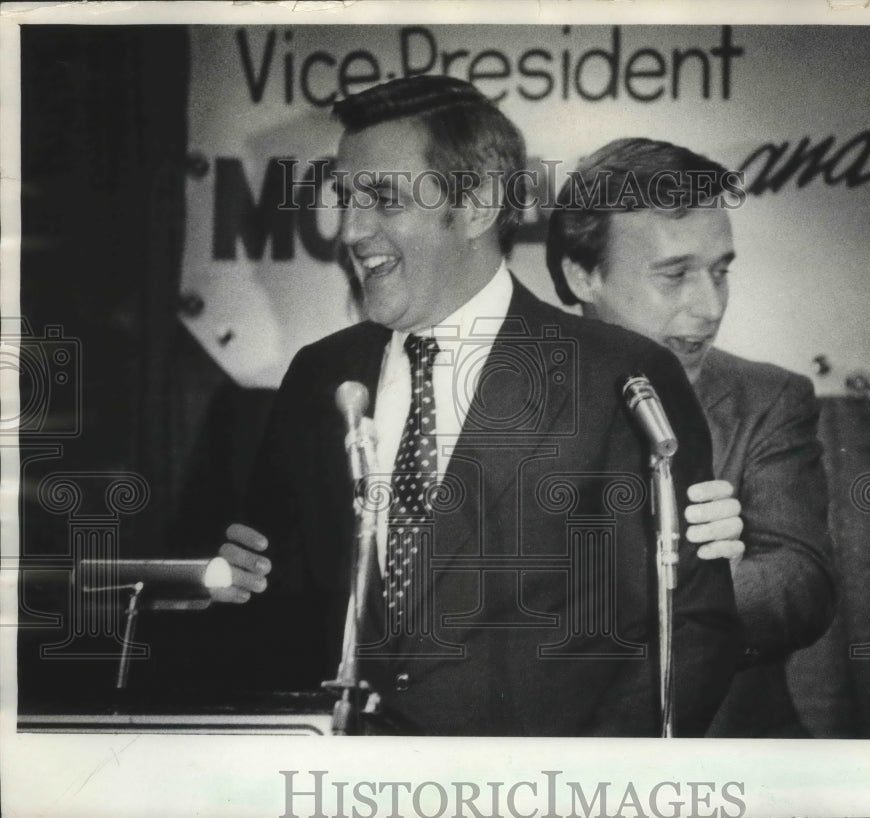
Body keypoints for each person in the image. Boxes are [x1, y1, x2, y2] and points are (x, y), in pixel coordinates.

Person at [208, 77, 741, 736]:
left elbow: (692, 626)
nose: (350, 230)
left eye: (382, 199)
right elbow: (272, 611)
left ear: (480, 205)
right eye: (346, 199)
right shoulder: (321, 377)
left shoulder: (622, 377)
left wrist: (581, 792)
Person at [546, 137, 837, 737]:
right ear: (582, 275)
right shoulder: (508, 405)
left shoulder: (770, 398)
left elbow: (801, 584)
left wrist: (691, 589)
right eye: (674, 275)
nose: (709, 307)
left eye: (720, 272)